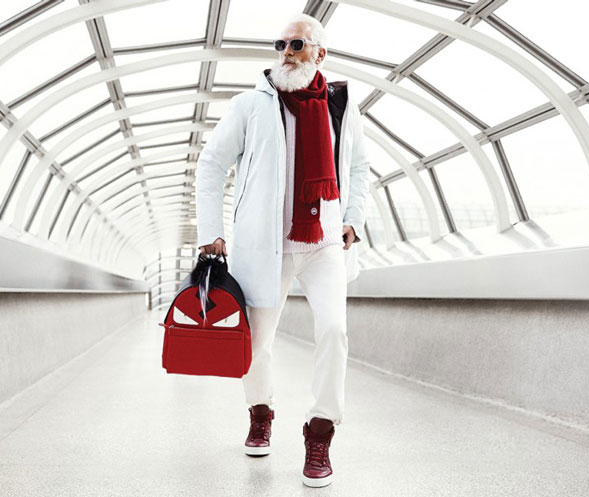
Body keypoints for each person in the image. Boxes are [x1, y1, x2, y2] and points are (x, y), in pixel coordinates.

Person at [194, 12, 370, 488]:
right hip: (265, 245)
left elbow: (359, 166)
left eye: (297, 45)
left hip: (325, 242)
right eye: (281, 45)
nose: (286, 53)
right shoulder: (250, 105)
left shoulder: (341, 105)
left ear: (320, 54)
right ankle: (260, 413)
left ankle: (320, 433)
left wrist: (353, 218)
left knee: (334, 330)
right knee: (256, 344)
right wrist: (211, 231)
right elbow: (211, 165)